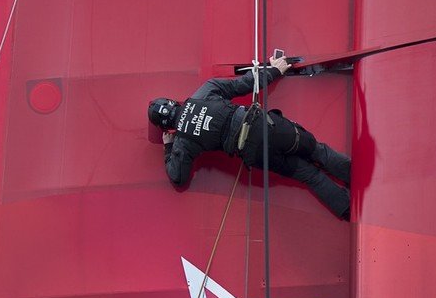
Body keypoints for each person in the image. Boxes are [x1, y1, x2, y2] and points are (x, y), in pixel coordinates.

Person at [147, 56, 351, 220]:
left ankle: (349, 209)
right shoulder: (205, 91)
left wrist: (168, 148)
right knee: (317, 150)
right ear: (174, 102)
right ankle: (360, 177)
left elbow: (178, 177)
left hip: (255, 153)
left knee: (310, 175)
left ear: (167, 127)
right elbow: (245, 84)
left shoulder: (183, 142)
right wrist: (274, 69)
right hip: (267, 127)